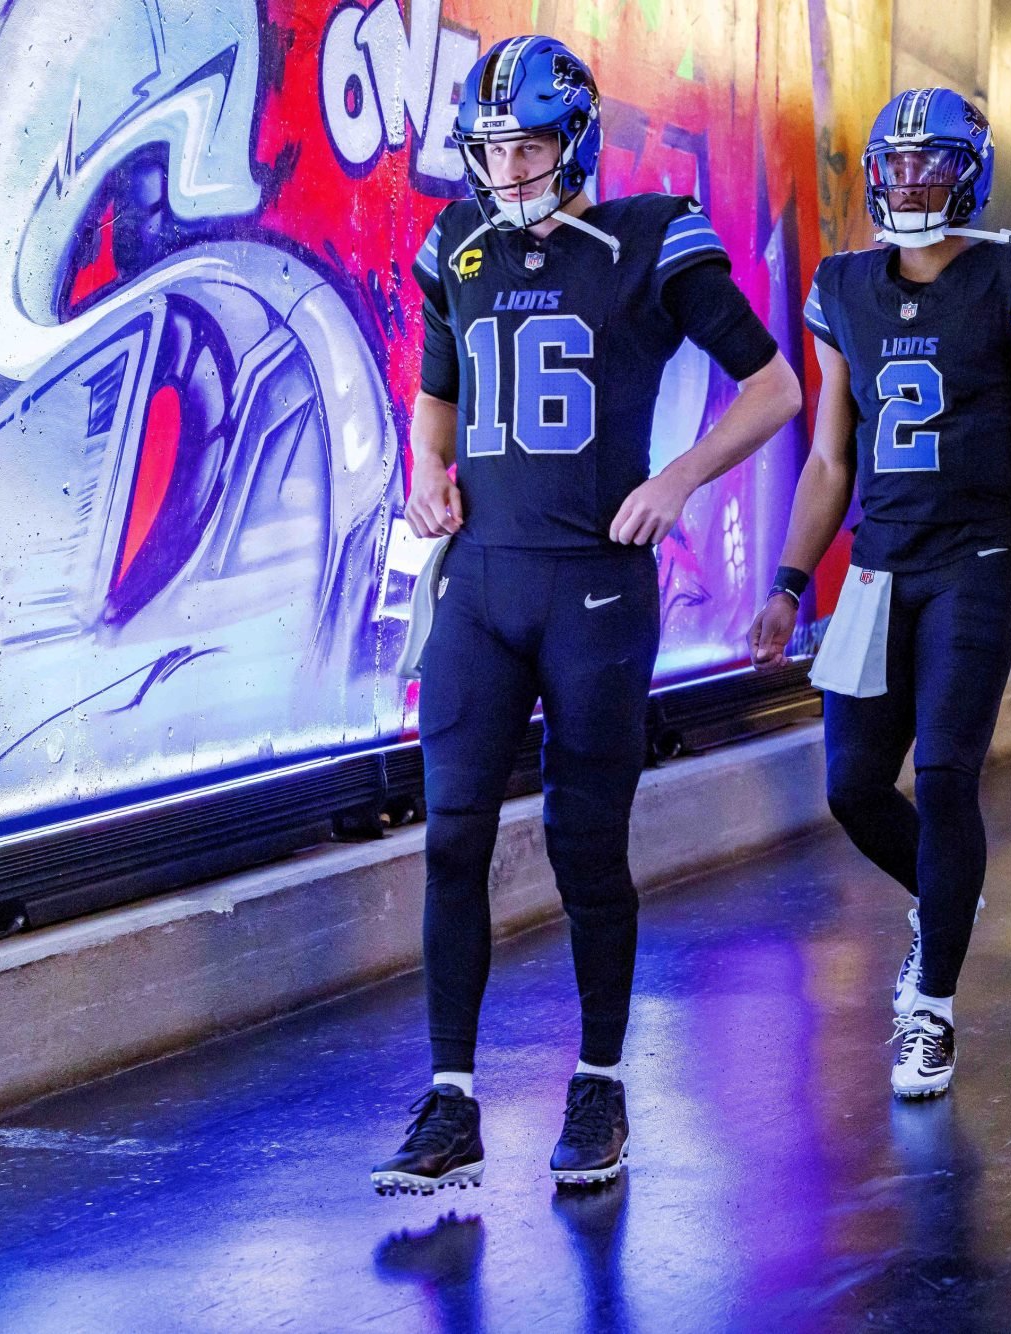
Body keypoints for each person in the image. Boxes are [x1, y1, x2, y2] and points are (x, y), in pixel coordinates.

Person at [373, 35, 802, 1195]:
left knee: (583, 842)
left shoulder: (648, 237)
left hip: (594, 586)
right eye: (491, 146)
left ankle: (601, 1076)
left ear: (574, 140)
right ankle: (451, 1097)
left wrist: (677, 480)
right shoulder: (455, 247)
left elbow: (775, 386)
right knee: (451, 835)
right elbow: (435, 399)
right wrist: (426, 470)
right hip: (479, 578)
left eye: (526, 144)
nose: (507, 167)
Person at [749, 88, 1011, 1097]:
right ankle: (944, 897)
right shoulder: (842, 285)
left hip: (975, 561)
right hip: (873, 564)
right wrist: (781, 579)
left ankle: (931, 1007)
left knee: (943, 774)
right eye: (892, 166)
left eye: (928, 163)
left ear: (971, 169)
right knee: (852, 785)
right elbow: (826, 459)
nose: (908, 182)